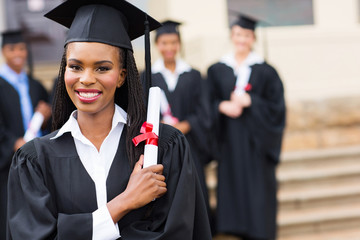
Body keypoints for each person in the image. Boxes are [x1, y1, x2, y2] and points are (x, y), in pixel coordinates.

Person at [6, 0, 212, 239]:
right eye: (75, 66)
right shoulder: (35, 160)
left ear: (122, 75)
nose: (86, 79)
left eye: (102, 68)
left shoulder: (163, 147)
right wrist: (123, 203)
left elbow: (177, 232)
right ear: (65, 71)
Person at [207, 14, 286, 240]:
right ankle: (234, 227)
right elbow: (206, 102)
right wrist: (222, 106)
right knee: (232, 185)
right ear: (232, 36)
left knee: (258, 189)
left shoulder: (266, 71)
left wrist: (252, 102)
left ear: (253, 38)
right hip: (229, 141)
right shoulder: (217, 69)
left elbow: (277, 108)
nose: (242, 39)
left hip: (256, 145)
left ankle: (259, 230)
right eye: (238, 34)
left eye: (247, 35)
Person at [143, 20, 213, 228]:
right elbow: (141, 112)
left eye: (173, 42)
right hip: (160, 147)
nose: (169, 48)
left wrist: (186, 125)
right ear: (157, 45)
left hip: (190, 144)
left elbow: (204, 111)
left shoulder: (193, 74)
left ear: (179, 44)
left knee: (194, 187)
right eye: (164, 42)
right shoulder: (147, 75)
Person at [0, 30, 51, 239]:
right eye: (12, 49)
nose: (18, 53)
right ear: (4, 52)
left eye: (21, 48)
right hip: (8, 162)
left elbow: (46, 122)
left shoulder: (35, 85)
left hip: (34, 158)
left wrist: (45, 117)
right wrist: (13, 142)